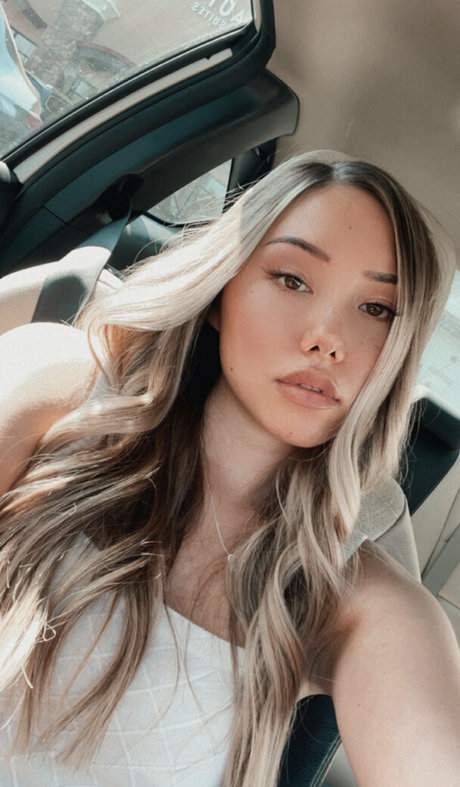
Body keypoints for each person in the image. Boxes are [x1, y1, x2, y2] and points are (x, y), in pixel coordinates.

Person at [0, 150, 459, 787]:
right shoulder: (57, 391)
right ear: (223, 291)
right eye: (292, 279)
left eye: (377, 309)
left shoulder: (361, 603)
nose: (327, 338)